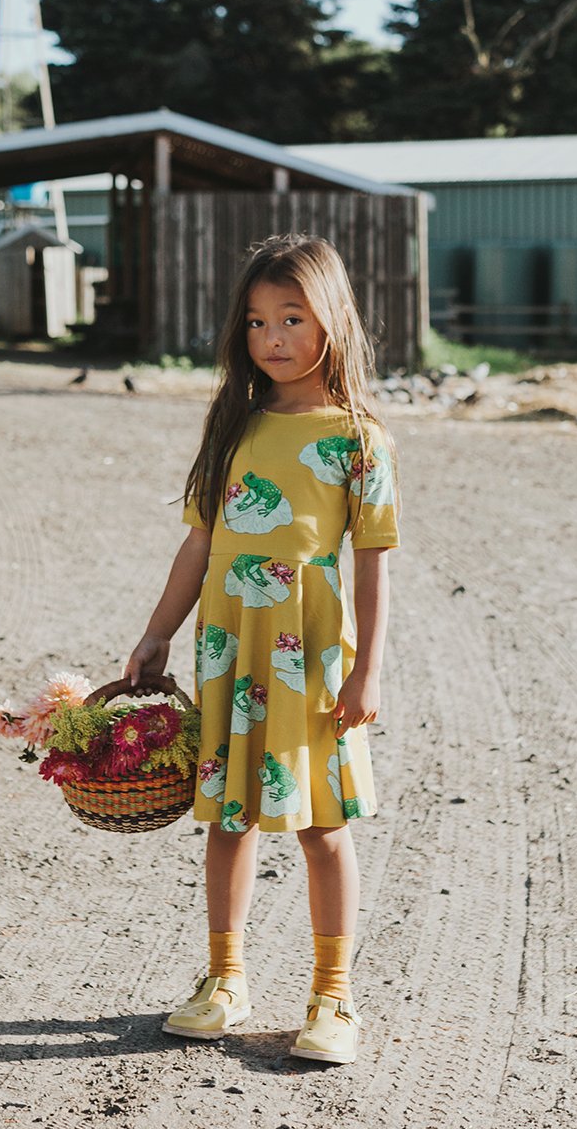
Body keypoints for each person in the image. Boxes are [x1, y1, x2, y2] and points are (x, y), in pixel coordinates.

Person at [124, 233, 399, 1065]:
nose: (271, 338)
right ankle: (225, 976)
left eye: (290, 317)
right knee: (229, 815)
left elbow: (374, 560)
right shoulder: (233, 424)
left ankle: (332, 996)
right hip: (227, 646)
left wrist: (366, 667)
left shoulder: (359, 439)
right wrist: (155, 633)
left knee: (322, 822)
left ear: (331, 321)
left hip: (307, 649)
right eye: (254, 322)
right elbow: (198, 545)